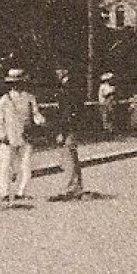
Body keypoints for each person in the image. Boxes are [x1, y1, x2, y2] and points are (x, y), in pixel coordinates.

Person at [0, 68, 45, 202]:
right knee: (5, 166)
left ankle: (21, 191)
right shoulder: (5, 99)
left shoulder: (29, 97)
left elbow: (35, 113)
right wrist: (1, 134)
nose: (17, 85)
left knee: (26, 165)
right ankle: (4, 193)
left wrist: (40, 121)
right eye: (14, 83)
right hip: (8, 136)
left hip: (25, 135)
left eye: (20, 82)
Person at [48, 67, 85, 201]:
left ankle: (72, 188)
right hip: (73, 126)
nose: (56, 73)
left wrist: (62, 132)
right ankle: (76, 186)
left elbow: (67, 112)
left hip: (69, 127)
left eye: (58, 70)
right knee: (71, 156)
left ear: (64, 71)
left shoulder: (67, 89)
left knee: (69, 156)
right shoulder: (72, 87)